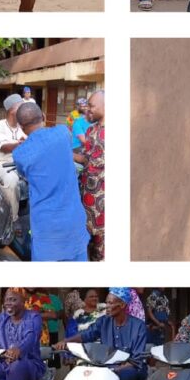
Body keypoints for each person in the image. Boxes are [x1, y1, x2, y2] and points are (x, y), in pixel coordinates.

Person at [56, 288, 148, 380]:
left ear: (122, 305)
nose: (107, 306)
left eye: (110, 303)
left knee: (122, 378)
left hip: (132, 368)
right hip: (108, 367)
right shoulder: (104, 321)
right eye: (106, 302)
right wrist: (66, 341)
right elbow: (86, 335)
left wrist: (114, 370)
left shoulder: (138, 326)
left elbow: (136, 360)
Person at [14, 102, 89, 261]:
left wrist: (26, 145)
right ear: (43, 116)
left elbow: (24, 173)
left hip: (46, 229)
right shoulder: (63, 132)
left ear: (20, 127)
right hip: (73, 221)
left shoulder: (19, 154)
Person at [74, 90, 105, 261]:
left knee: (103, 248)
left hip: (103, 204)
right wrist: (65, 152)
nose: (87, 109)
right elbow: (86, 159)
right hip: (87, 200)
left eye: (91, 106)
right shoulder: (92, 130)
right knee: (88, 243)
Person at [0, 94, 26, 219]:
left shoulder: (23, 126)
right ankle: (13, 219)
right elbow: (4, 147)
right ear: (12, 110)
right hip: (2, 164)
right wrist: (20, 144)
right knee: (11, 181)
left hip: (22, 164)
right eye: (21, 107)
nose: (24, 110)